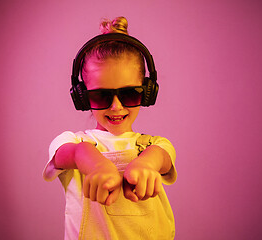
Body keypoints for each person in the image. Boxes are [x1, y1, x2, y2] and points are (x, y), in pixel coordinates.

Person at [43, 16, 177, 240]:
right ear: (83, 97)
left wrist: (144, 164)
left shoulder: (155, 146)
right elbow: (70, 154)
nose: (116, 106)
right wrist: (95, 164)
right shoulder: (72, 143)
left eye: (128, 94)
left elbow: (160, 157)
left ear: (146, 92)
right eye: (101, 95)